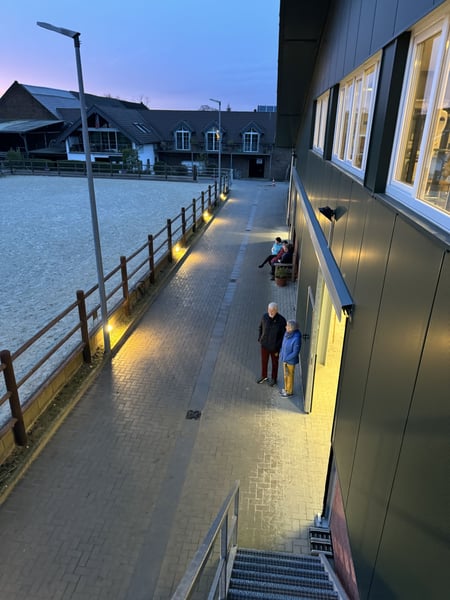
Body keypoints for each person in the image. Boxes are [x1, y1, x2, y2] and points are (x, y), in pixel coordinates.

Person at [257, 302, 287, 386]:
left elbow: (283, 335)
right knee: (264, 361)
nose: (270, 312)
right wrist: (260, 338)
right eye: (269, 310)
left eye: (272, 310)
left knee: (274, 363)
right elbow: (260, 327)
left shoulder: (281, 321)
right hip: (264, 345)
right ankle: (264, 376)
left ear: (276, 310)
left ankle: (274, 379)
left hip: (275, 348)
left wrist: (278, 345)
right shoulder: (264, 317)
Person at [279, 320, 302, 397]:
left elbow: (295, 352)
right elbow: (283, 344)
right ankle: (286, 389)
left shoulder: (296, 338)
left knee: (289, 376)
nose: (286, 327)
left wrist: (286, 358)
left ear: (291, 328)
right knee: (286, 375)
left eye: (287, 326)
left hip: (290, 361)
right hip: (285, 359)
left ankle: (289, 392)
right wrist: (282, 353)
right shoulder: (287, 334)